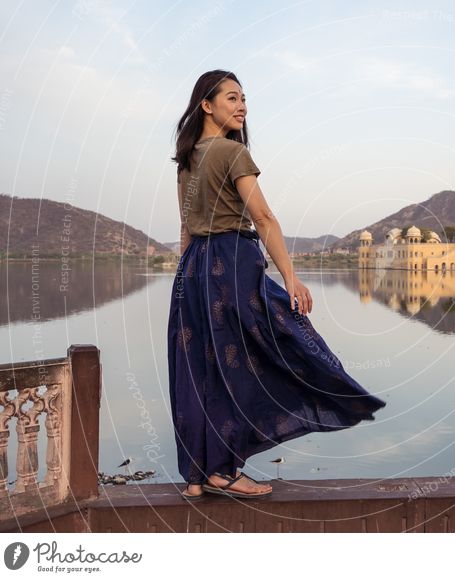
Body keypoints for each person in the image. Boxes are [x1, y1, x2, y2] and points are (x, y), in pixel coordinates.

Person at [167, 70, 386, 501]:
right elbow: (264, 218)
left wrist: (185, 282)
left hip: (193, 271)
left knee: (201, 369)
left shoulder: (188, 159)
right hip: (232, 262)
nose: (242, 105)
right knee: (259, 356)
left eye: (244, 98)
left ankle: (198, 473)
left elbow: (185, 228)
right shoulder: (232, 152)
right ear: (207, 105)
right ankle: (225, 469)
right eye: (232, 98)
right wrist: (290, 277)